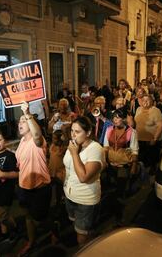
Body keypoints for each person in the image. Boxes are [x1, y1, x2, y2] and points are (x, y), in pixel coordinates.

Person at [15, 102, 53, 255]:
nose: (20, 123)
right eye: (19, 121)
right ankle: (31, 242)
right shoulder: (22, 142)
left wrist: (27, 113)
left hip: (40, 188)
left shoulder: (38, 140)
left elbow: (37, 135)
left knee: (40, 218)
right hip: (24, 188)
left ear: (31, 124)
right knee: (28, 216)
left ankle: (53, 230)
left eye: (23, 121)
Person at [63, 116, 104, 246]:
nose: (73, 135)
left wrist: (74, 153)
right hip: (70, 196)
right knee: (77, 226)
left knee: (83, 237)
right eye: (72, 131)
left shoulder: (95, 149)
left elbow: (83, 177)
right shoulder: (74, 145)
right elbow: (68, 168)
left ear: (88, 132)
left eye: (77, 131)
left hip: (85, 200)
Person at [103, 109, 139, 200]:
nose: (115, 120)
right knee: (112, 183)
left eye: (118, 117)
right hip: (110, 163)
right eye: (114, 117)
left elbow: (134, 150)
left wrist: (134, 166)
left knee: (121, 184)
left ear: (123, 119)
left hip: (124, 164)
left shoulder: (132, 132)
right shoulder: (109, 129)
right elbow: (105, 147)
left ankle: (120, 201)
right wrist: (104, 161)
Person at [134, 95, 162, 175]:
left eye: (148, 100)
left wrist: (155, 139)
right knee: (141, 160)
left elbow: (161, 125)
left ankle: (150, 176)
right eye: (143, 100)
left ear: (152, 102)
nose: (145, 102)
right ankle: (141, 175)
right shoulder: (138, 109)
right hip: (139, 139)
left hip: (151, 141)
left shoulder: (156, 111)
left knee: (151, 160)